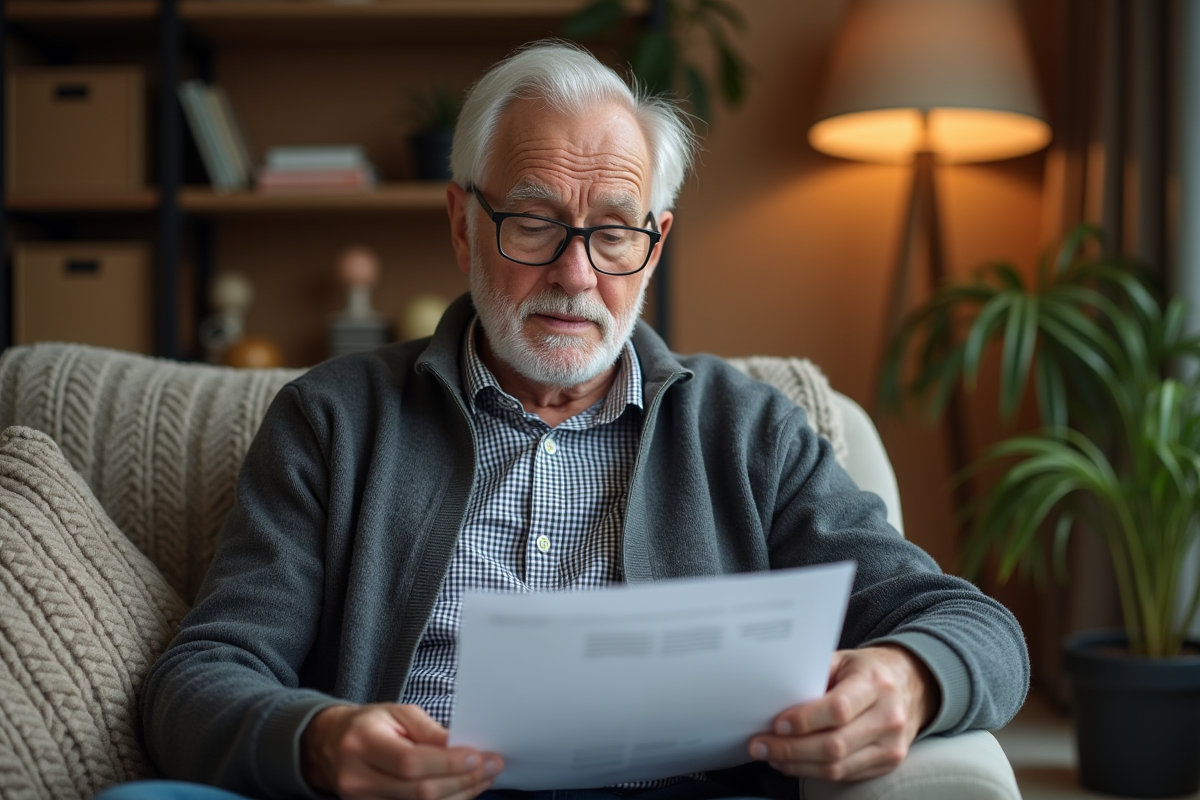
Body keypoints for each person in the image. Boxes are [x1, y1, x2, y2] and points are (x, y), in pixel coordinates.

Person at [112, 40, 1028, 800]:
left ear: (655, 244)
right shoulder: (332, 420)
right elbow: (198, 679)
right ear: (464, 224)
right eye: (535, 221)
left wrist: (910, 676)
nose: (576, 274)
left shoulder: (748, 432)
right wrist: (317, 739)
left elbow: (974, 626)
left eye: (615, 230)